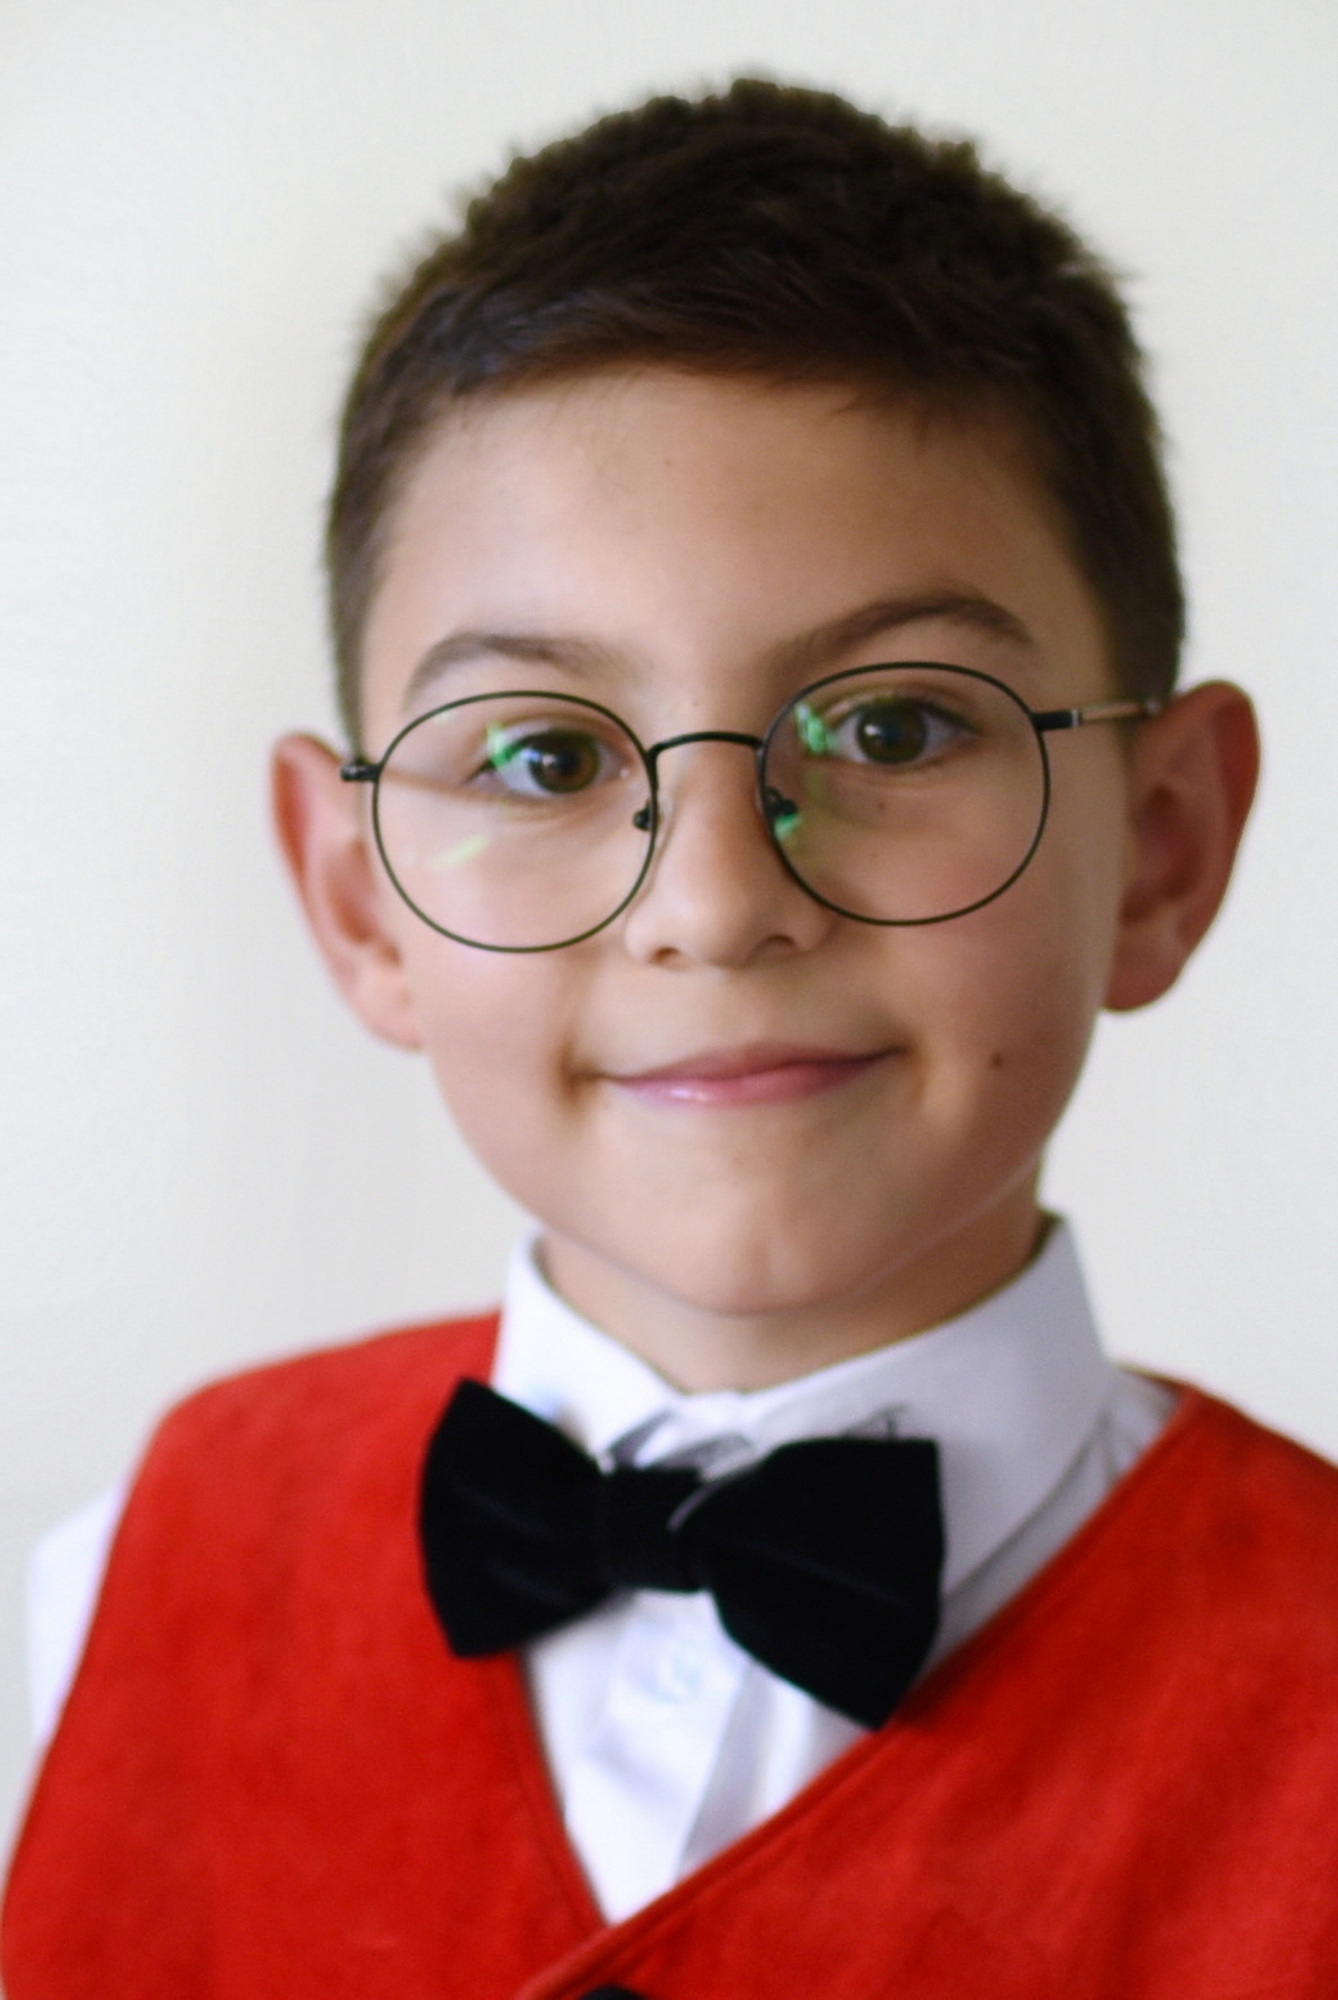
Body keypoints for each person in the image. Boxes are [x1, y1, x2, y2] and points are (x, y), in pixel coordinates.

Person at [5, 76, 1337, 1998]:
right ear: (361, 902)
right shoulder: (130, 1564)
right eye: (545, 759)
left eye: (890, 728)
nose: (713, 904)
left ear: (1161, 845)